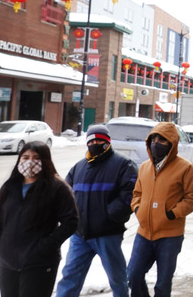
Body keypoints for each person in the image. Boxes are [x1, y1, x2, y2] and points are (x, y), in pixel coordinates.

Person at [0, 141, 78, 297]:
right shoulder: (10, 187)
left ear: (45, 160)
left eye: (36, 157)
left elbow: (71, 222)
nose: (30, 162)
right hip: (8, 262)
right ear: (19, 160)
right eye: (25, 157)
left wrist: (44, 247)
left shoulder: (57, 188)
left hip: (39, 264)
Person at [56, 125, 138, 297]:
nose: (95, 143)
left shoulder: (123, 165)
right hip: (80, 235)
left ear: (107, 141)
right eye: (91, 140)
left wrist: (110, 215)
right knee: (70, 277)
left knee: (117, 278)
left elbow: (130, 194)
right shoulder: (78, 167)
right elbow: (65, 195)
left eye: (99, 140)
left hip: (107, 234)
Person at [128, 122, 193, 297]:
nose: (156, 143)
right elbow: (136, 193)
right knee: (132, 275)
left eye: (162, 140)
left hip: (170, 236)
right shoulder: (145, 167)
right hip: (144, 233)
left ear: (172, 143)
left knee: (162, 285)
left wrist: (173, 213)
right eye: (153, 138)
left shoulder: (185, 168)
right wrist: (137, 208)